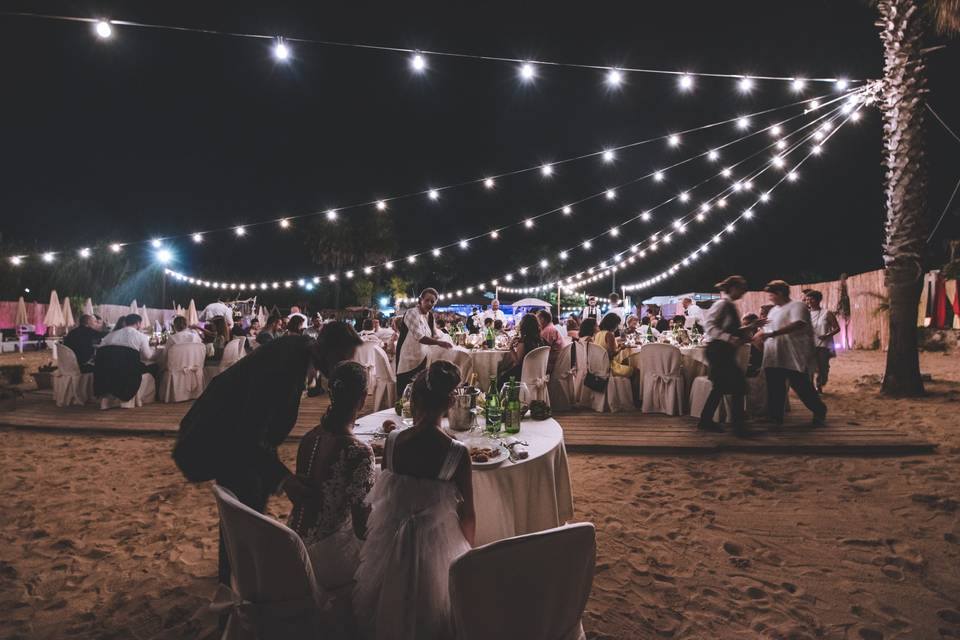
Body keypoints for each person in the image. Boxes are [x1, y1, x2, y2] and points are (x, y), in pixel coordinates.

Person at [172, 323, 363, 599]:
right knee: (245, 511)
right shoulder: (285, 366)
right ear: (325, 349)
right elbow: (250, 431)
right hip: (223, 438)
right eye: (342, 358)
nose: (343, 366)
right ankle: (237, 585)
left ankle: (236, 577)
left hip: (240, 439)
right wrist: (285, 480)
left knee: (247, 509)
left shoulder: (299, 351)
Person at [354, 361, 474, 640]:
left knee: (387, 600)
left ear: (414, 399)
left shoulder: (394, 441)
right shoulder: (457, 453)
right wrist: (467, 554)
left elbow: (385, 496)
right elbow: (468, 514)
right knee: (437, 606)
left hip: (391, 538)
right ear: (450, 402)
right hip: (439, 542)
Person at [288, 362, 374, 634]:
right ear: (362, 399)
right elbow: (362, 527)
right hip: (328, 558)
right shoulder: (360, 452)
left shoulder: (308, 438)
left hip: (292, 544)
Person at [753, 280, 827, 426]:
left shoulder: (797, 306)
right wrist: (759, 334)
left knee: (801, 387)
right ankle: (775, 417)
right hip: (774, 355)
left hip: (792, 355)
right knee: (775, 387)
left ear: (779, 293)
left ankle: (819, 410)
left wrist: (773, 333)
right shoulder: (774, 310)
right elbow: (769, 328)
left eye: (771, 295)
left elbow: (799, 323)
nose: (770, 298)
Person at [698, 276, 749, 434]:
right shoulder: (722, 304)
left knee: (721, 387)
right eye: (742, 288)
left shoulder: (729, 305)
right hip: (718, 350)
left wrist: (750, 327)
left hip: (723, 351)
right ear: (732, 288)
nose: (743, 292)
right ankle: (738, 426)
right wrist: (729, 338)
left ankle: (707, 421)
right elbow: (709, 325)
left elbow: (727, 329)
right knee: (738, 385)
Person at [396, 288, 451, 396]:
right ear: (420, 300)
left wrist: (447, 337)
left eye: (432, 302)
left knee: (419, 391)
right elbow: (419, 337)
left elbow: (435, 334)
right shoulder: (412, 313)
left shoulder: (430, 316)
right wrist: (439, 343)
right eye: (427, 300)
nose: (430, 304)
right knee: (405, 392)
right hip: (408, 357)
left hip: (423, 357)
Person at [804, 289, 841, 393]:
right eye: (807, 300)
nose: (808, 302)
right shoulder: (805, 314)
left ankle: (820, 384)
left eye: (811, 299)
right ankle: (811, 388)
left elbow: (837, 328)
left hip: (823, 345)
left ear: (818, 300)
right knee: (809, 367)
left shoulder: (827, 313)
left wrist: (827, 335)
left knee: (822, 368)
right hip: (809, 345)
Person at [499, 313, 546, 383]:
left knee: (500, 378)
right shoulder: (541, 340)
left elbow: (517, 362)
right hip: (537, 372)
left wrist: (511, 347)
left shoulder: (524, 341)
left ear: (524, 326)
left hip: (523, 373)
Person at [593, 313, 633, 377]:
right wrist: (621, 348)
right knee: (635, 371)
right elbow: (612, 354)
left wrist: (618, 346)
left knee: (625, 362)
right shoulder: (609, 334)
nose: (617, 327)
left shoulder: (598, 334)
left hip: (599, 365)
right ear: (613, 324)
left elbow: (605, 347)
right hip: (609, 366)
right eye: (617, 325)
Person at [535, 309, 566, 375]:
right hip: (560, 359)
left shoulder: (547, 330)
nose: (536, 322)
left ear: (542, 319)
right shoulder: (551, 327)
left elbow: (541, 349)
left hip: (553, 361)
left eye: (537, 319)